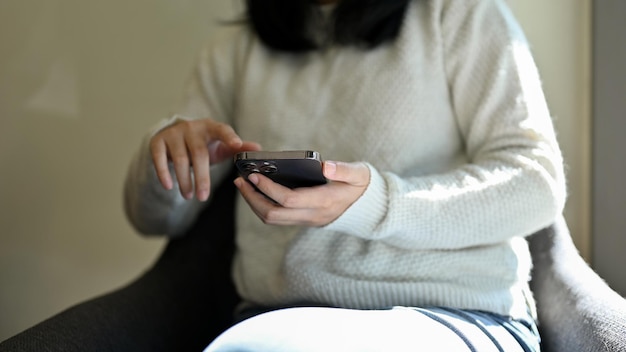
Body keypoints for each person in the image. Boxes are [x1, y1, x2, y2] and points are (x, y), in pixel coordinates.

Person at [124, 0, 566, 350]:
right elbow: (155, 220)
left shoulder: (458, 13)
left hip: (451, 311)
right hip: (277, 321)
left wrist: (377, 203)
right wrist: (166, 158)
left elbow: (536, 181)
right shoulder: (237, 51)